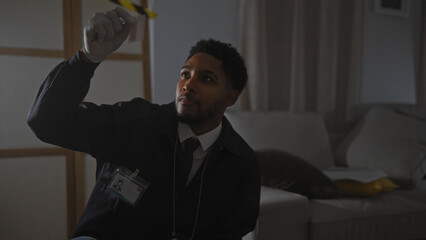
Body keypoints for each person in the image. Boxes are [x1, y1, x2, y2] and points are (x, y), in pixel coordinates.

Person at [27, 7, 260, 240]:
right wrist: (87, 59)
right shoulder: (136, 121)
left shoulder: (242, 164)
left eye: (206, 78)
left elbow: (232, 231)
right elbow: (47, 121)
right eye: (185, 74)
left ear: (231, 97)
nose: (188, 85)